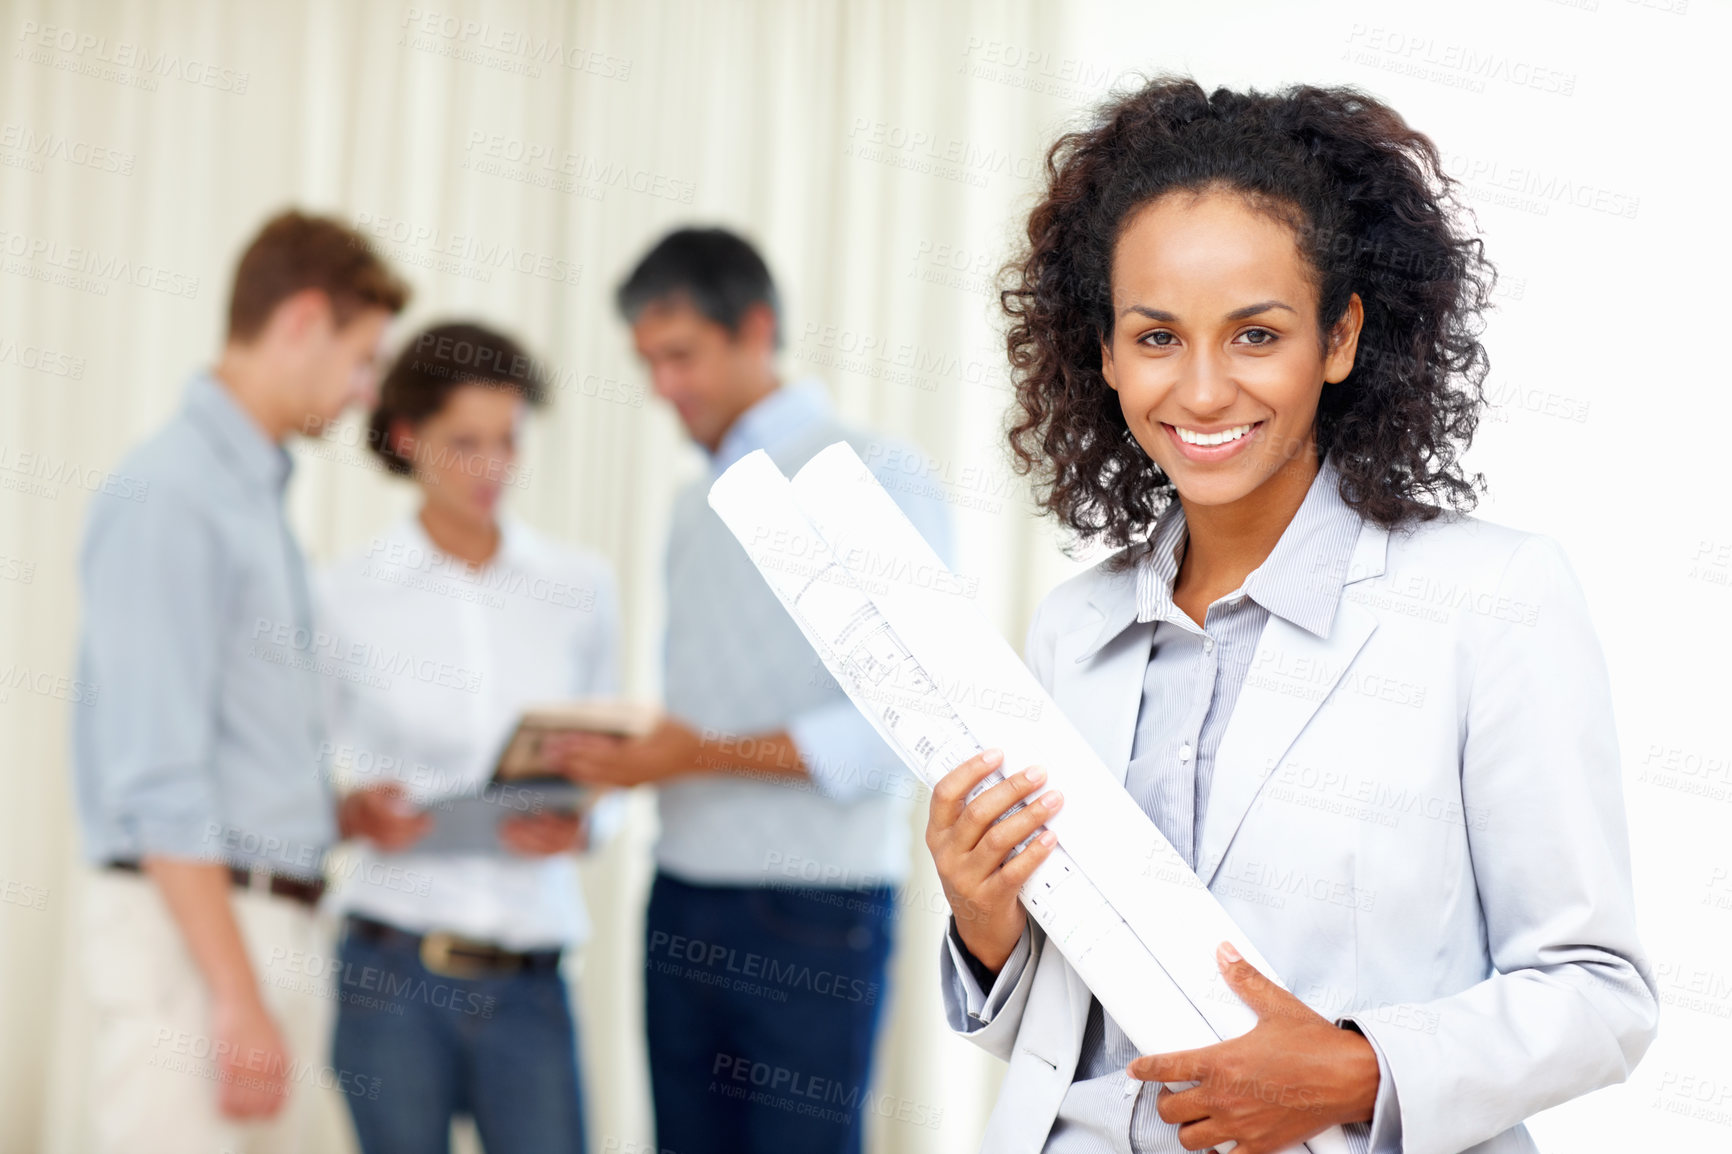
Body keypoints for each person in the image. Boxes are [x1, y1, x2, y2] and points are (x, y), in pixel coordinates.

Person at [926, 78, 1658, 1154]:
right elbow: (1070, 1031)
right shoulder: (1073, 628)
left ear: (1341, 336)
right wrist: (985, 926)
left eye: (1256, 334)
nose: (1205, 389)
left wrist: (1354, 1069)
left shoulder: (1489, 602)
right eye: (1158, 336)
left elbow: (1599, 994)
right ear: (1105, 352)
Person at [560, 227, 950, 1154]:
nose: (663, 387)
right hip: (682, 896)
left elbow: (903, 726)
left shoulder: (871, 472)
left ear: (757, 330)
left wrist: (692, 756)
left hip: (814, 910)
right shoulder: (690, 506)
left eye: (682, 354)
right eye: (648, 362)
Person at [70, 210, 408, 1153]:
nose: (362, 392)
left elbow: (225, 747)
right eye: (361, 357)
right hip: (205, 946)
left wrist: (332, 813)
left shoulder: (249, 496)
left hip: (267, 925)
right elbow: (155, 777)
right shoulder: (172, 495)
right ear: (302, 320)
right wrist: (234, 995)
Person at [317, 321, 622, 1154]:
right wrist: (348, 812)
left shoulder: (580, 588)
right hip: (391, 973)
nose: (492, 467)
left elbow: (615, 763)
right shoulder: (343, 595)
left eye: (508, 441)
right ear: (409, 437)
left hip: (531, 979)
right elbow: (289, 774)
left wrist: (588, 823)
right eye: (465, 443)